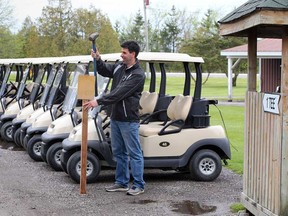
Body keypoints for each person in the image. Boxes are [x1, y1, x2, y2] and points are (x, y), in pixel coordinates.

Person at [84, 40, 146, 196]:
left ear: (133, 54)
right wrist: (98, 59)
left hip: (128, 119)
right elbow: (105, 70)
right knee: (119, 152)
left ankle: (139, 184)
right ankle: (121, 182)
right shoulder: (120, 67)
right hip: (116, 117)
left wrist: (97, 101)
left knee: (134, 153)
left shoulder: (138, 75)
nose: (121, 55)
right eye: (122, 52)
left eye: (124, 52)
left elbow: (119, 93)